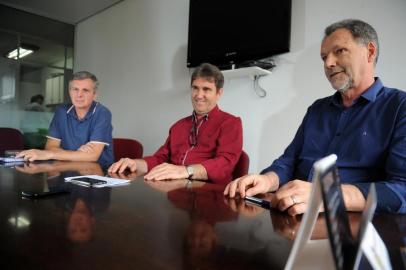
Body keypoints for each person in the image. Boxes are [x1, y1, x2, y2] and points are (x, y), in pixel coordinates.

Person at [224, 19, 406, 215]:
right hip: (294, 218)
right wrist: (268, 179)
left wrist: (327, 195)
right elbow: (288, 161)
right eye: (324, 57)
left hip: (352, 229)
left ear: (370, 52)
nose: (328, 63)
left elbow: (402, 189)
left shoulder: (399, 107)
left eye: (339, 51)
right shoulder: (317, 109)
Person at [109, 63, 243, 184]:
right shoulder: (178, 126)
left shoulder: (231, 123)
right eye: (195, 88)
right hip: (175, 193)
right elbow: (160, 158)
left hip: (210, 195)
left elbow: (225, 163)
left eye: (206, 89)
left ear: (219, 93)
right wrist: (135, 163)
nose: (199, 95)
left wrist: (185, 171)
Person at [18, 71, 114, 167]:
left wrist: (51, 154)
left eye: (85, 90)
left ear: (95, 94)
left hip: (98, 173)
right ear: (69, 91)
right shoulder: (61, 111)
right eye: (75, 89)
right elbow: (50, 147)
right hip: (67, 168)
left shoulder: (102, 113)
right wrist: (78, 153)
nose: (79, 95)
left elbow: (92, 156)